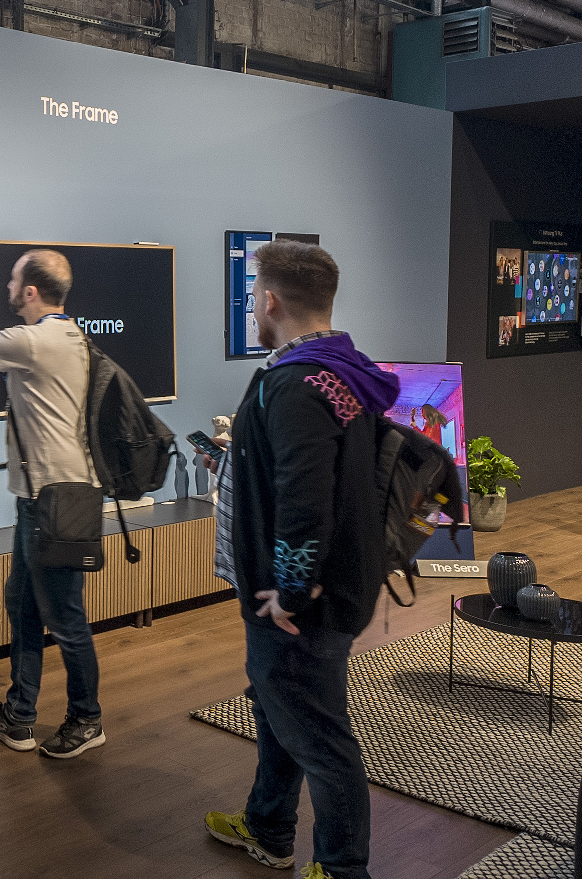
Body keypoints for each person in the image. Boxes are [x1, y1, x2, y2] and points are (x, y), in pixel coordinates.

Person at [197, 240, 398, 879]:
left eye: (254, 295)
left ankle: (342, 868)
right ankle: (269, 827)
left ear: (272, 301)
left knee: (319, 735)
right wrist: (237, 457)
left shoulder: (292, 384)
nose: (252, 306)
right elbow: (316, 473)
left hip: (300, 603)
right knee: (279, 706)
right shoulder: (341, 369)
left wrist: (290, 590)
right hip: (340, 582)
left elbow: (305, 500)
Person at [0, 250, 106, 760]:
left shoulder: (31, 340)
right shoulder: (74, 336)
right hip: (53, 496)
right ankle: (19, 715)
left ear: (31, 291)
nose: (7, 287)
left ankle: (87, 718)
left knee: (66, 616)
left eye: (13, 281)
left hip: (54, 502)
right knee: (25, 605)